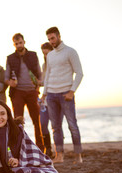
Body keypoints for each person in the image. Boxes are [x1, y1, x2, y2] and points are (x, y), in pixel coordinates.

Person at [0, 100, 110, 173]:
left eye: (2, 113)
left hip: (31, 170)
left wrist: (19, 161)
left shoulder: (16, 130)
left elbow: (29, 152)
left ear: (8, 115)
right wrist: (11, 164)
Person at [42, 27, 84, 163]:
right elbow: (48, 75)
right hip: (51, 95)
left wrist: (72, 91)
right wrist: (44, 94)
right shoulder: (50, 55)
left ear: (59, 36)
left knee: (72, 125)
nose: (51, 41)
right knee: (55, 127)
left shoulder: (70, 52)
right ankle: (59, 155)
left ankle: (78, 155)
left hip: (66, 94)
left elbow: (79, 73)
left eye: (53, 38)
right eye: (49, 39)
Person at [5, 33, 44, 152]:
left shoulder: (33, 55)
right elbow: (6, 78)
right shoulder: (10, 58)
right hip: (17, 92)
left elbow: (39, 73)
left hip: (32, 91)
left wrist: (38, 84)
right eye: (16, 44)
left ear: (24, 42)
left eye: (20, 43)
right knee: (17, 121)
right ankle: (18, 149)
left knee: (37, 121)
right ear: (14, 44)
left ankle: (41, 149)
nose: (18, 45)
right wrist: (10, 83)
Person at [39, 42, 54, 158]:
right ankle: (47, 148)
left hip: (54, 98)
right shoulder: (44, 66)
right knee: (43, 124)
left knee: (55, 125)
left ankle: (58, 149)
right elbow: (44, 82)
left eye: (47, 53)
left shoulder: (57, 65)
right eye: (44, 54)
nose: (46, 56)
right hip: (44, 100)